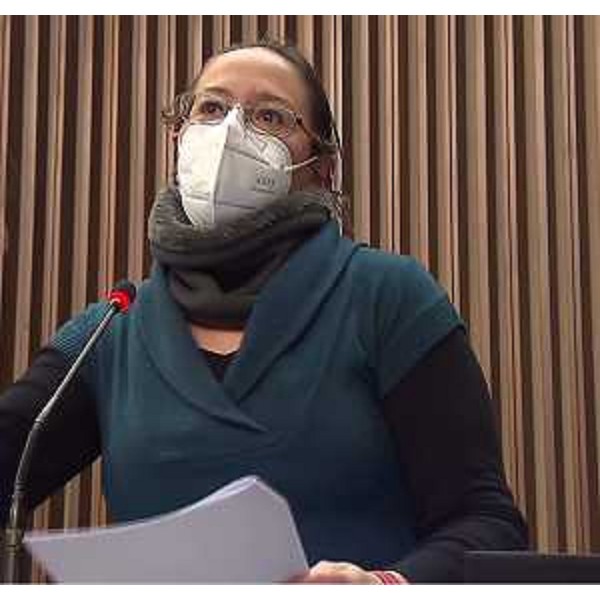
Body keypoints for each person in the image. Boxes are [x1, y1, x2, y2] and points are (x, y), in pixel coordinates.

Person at [0, 40, 528, 584]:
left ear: (320, 168)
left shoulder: (386, 298)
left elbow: (486, 525)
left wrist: (384, 586)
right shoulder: (111, 331)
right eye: (211, 108)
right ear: (179, 139)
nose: (230, 132)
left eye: (270, 116)